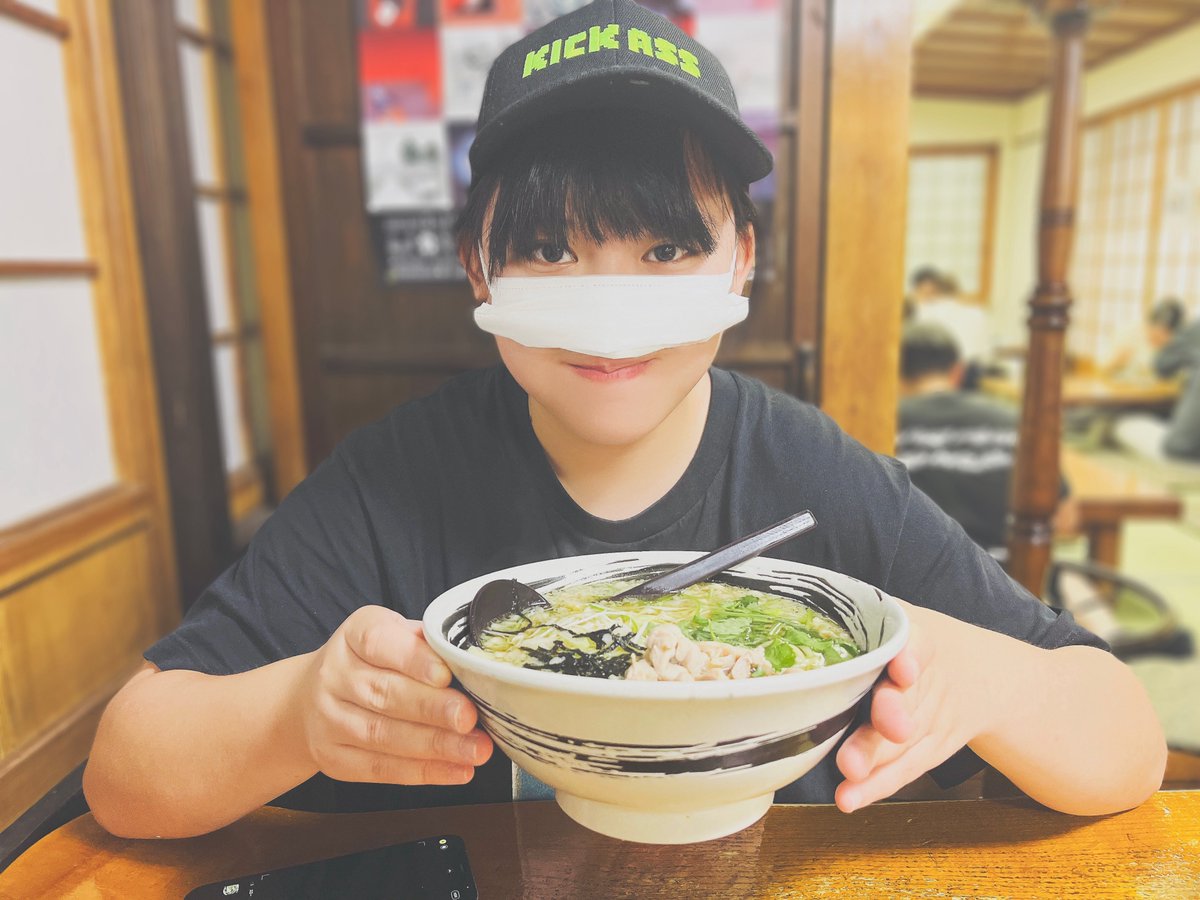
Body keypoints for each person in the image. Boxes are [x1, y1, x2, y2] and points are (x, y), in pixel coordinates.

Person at [83, 0, 1164, 840]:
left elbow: (1126, 744)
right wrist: (300, 715)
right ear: (479, 269)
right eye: (548, 250)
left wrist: (985, 679)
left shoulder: (816, 475)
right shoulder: (393, 480)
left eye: (666, 249)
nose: (609, 312)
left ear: (741, 260)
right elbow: (125, 771)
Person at [895, 323, 1075, 563]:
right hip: (1008, 576)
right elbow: (1064, 520)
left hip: (913, 578)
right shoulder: (1014, 421)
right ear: (958, 372)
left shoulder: (884, 425)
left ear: (895, 371)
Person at [1112, 300, 1200, 462]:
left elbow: (1162, 367)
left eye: (1163, 333)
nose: (1156, 337)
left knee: (1121, 426)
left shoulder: (1191, 331)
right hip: (1132, 393)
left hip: (1182, 450)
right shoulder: (1132, 334)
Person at [910, 269, 991, 389]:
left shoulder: (924, 311)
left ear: (935, 292)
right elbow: (985, 353)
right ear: (958, 291)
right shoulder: (978, 313)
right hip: (971, 371)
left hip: (937, 372)